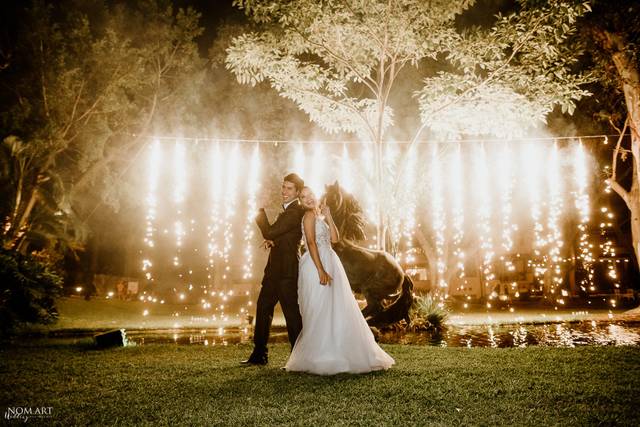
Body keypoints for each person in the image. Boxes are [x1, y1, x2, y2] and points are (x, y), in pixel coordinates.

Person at [285, 187, 394, 375]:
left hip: (331, 261)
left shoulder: (319, 216)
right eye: (303, 197)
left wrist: (328, 216)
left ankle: (337, 348)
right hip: (316, 264)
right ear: (301, 202)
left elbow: (335, 239)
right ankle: (320, 353)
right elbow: (310, 243)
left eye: (310, 194)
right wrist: (320, 269)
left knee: (335, 306)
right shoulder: (308, 217)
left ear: (315, 195)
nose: (308, 198)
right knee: (319, 308)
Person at [242, 173, 306, 365]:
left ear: (297, 192)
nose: (284, 191)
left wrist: (259, 212)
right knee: (263, 308)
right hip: (274, 271)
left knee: (291, 314)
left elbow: (270, 230)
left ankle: (300, 356)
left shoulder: (295, 212)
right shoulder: (287, 211)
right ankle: (259, 354)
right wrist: (273, 240)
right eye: (283, 187)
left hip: (287, 272)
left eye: (289, 188)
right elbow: (278, 234)